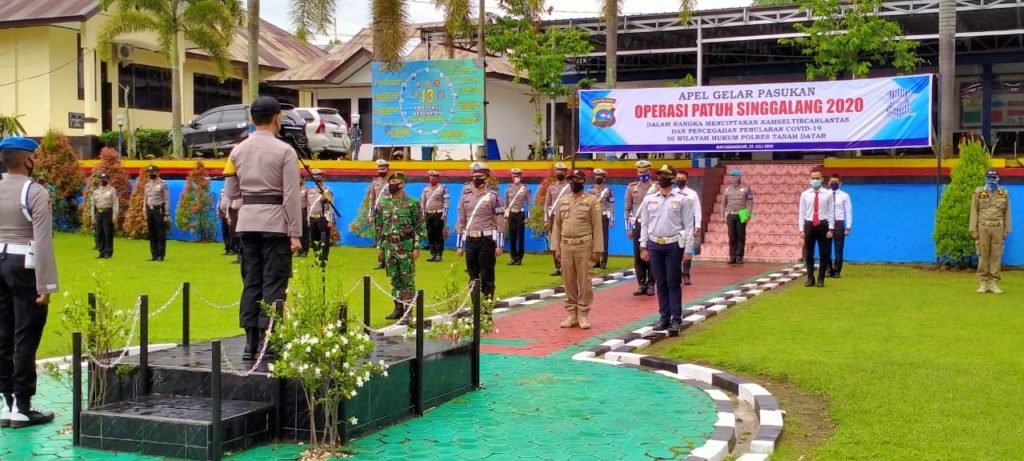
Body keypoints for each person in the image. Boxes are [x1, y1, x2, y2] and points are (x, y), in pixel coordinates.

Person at [223, 96, 302, 361]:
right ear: (277, 117)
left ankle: (249, 344)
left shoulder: (237, 151)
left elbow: (231, 193)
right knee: (274, 283)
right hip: (276, 224)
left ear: (251, 119)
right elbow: (291, 196)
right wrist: (295, 233)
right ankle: (270, 343)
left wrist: (241, 216)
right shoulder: (285, 151)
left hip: (246, 224)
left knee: (251, 281)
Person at [0, 136, 57, 428]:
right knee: (26, 335)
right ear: (27, 160)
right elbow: (43, 242)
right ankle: (22, 407)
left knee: (3, 335)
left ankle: (6, 404)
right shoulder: (33, 192)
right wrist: (45, 286)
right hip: (23, 265)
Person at [639, 165, 693, 334]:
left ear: (672, 179)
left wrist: (688, 249)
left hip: (673, 245)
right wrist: (643, 245)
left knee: (673, 281)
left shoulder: (682, 199)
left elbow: (688, 225)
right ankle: (664, 317)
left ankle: (676, 319)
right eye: (660, 175)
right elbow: (645, 224)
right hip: (655, 244)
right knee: (660, 282)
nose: (661, 178)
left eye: (665, 176)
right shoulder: (650, 199)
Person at [551, 169, 603, 329]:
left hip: (584, 245)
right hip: (566, 245)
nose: (574, 183)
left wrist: (597, 250)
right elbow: (557, 225)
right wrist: (556, 247)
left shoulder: (592, 201)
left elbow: (597, 227)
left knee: (584, 281)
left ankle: (583, 313)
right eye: (571, 180)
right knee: (568, 281)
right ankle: (571, 313)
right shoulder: (564, 200)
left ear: (583, 182)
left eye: (577, 180)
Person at [376, 172, 426, 320]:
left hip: (405, 245)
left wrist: (417, 246)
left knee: (407, 279)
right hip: (389, 245)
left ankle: (409, 310)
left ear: (402, 184)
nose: (391, 184)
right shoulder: (384, 202)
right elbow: (379, 225)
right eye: (390, 182)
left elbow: (419, 226)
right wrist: (379, 245)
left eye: (395, 182)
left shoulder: (412, 202)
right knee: (394, 278)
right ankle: (398, 307)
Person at [456, 162, 505, 301]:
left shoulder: (493, 196)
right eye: (474, 176)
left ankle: (486, 312)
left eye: (480, 176)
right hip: (471, 240)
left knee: (487, 277)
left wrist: (500, 245)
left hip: (486, 240)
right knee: (472, 276)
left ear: (487, 178)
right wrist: (460, 245)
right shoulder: (466, 196)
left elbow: (500, 221)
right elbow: (461, 221)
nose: (477, 179)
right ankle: (475, 309)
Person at [971, 169, 1012, 294]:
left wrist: (1007, 229)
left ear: (998, 179)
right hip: (982, 226)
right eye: (989, 178)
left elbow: (1007, 212)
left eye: (994, 178)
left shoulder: (1003, 193)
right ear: (985, 179)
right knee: (983, 254)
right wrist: (973, 229)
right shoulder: (979, 192)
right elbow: (974, 211)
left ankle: (994, 283)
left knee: (996, 255)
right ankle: (983, 282)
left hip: (998, 227)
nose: (991, 180)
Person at [799, 169, 834, 288]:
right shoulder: (805, 194)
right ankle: (810, 278)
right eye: (813, 178)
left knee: (825, 253)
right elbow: (801, 213)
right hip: (809, 224)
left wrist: (831, 229)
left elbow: (831, 212)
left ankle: (821, 279)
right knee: (808, 253)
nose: (815, 180)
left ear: (822, 179)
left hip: (823, 224)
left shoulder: (828, 193)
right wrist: (801, 229)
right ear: (810, 179)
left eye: (817, 178)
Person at [625, 160, 656, 296]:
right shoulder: (632, 188)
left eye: (645, 172)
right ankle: (641, 284)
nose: (642, 174)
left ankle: (651, 284)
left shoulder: (656, 187)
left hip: (653, 225)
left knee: (652, 255)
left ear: (650, 171)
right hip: (637, 225)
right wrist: (628, 228)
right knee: (638, 256)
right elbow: (627, 209)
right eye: (640, 172)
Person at [676, 170, 702, 285]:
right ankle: (676, 274)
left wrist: (697, 226)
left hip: (688, 226)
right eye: (678, 178)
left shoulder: (692, 194)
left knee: (687, 249)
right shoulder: (672, 192)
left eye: (682, 178)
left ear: (687, 180)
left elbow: (697, 211)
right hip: (675, 226)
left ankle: (686, 274)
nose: (679, 180)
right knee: (675, 250)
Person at [722, 169, 753, 264]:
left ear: (740, 177)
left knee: (741, 235)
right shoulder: (727, 189)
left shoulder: (747, 189)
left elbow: (750, 203)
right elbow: (723, 203)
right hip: (731, 214)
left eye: (736, 176)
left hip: (742, 213)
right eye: (732, 176)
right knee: (732, 236)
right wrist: (723, 214)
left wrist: (748, 215)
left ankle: (739, 256)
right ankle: (732, 256)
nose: (734, 178)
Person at [544, 163, 570, 276]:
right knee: (554, 241)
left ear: (565, 173)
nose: (559, 173)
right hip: (554, 216)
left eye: (562, 171)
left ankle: (566, 266)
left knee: (565, 240)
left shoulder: (569, 187)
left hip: (566, 216)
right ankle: (557, 266)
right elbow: (547, 205)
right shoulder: (551, 187)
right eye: (558, 171)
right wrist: (546, 220)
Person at [305, 169, 335, 266]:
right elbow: (308, 206)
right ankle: (316, 259)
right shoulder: (310, 190)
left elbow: (330, 207)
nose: (317, 177)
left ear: (323, 178)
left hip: (323, 219)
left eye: (319, 176)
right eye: (315, 175)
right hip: (312, 218)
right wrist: (308, 219)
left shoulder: (327, 191)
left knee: (324, 240)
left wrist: (330, 220)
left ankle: (323, 260)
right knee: (314, 241)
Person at [365, 159, 391, 269]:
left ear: (388, 169)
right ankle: (381, 261)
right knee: (379, 237)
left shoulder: (392, 182)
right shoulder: (374, 183)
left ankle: (390, 260)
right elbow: (372, 199)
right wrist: (371, 214)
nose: (381, 171)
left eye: (383, 169)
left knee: (390, 236)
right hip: (379, 214)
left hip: (390, 214)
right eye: (379, 169)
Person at [420, 170, 450, 262]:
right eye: (430, 178)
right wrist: (423, 213)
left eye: (434, 178)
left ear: (437, 178)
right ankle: (432, 254)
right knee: (430, 234)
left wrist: (444, 214)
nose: (432, 179)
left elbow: (446, 202)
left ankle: (439, 254)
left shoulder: (443, 188)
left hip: (438, 214)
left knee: (438, 235)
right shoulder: (426, 189)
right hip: (429, 214)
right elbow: (423, 201)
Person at [587, 168, 614, 270]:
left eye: (599, 177)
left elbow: (611, 205)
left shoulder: (608, 190)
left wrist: (612, 219)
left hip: (603, 216)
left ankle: (604, 260)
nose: (597, 178)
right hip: (593, 217)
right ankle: (595, 261)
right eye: (596, 176)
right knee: (593, 239)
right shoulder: (590, 190)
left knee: (603, 239)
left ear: (604, 178)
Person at [504, 168, 531, 266]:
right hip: (511, 214)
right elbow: (506, 205)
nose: (516, 178)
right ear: (512, 177)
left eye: (517, 176)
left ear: (520, 177)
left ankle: (519, 258)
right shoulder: (508, 189)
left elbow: (529, 204)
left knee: (520, 237)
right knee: (512, 236)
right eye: (514, 176)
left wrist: (527, 217)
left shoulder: (525, 189)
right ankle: (513, 257)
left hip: (521, 214)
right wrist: (505, 216)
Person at [827, 174, 852, 278]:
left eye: (836, 182)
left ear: (840, 183)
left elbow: (848, 211)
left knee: (838, 248)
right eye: (832, 181)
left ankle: (837, 271)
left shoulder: (844, 196)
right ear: (828, 183)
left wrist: (848, 226)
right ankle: (828, 270)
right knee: (826, 248)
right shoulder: (824, 195)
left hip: (839, 223)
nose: (833, 183)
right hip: (827, 223)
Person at [144, 165, 170, 261]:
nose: (151, 174)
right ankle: (154, 254)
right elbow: (145, 199)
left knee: (160, 233)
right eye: (150, 173)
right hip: (150, 210)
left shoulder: (163, 184)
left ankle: (160, 255)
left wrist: (166, 213)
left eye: (153, 172)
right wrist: (144, 210)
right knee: (152, 233)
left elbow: (167, 199)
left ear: (158, 173)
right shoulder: (147, 185)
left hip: (159, 210)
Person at [90, 173, 117, 259]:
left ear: (108, 180)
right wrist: (93, 216)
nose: (103, 181)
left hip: (108, 212)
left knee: (107, 232)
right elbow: (93, 205)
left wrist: (114, 216)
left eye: (105, 179)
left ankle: (108, 252)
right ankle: (101, 251)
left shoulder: (112, 190)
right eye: (102, 179)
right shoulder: (96, 191)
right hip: (99, 213)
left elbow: (115, 203)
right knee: (99, 233)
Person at [217, 187, 235, 255]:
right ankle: (227, 248)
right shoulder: (222, 189)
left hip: (229, 214)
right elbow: (220, 200)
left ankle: (232, 249)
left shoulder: (231, 190)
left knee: (230, 232)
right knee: (224, 232)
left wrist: (229, 215)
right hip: (222, 214)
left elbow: (230, 202)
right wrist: (218, 210)